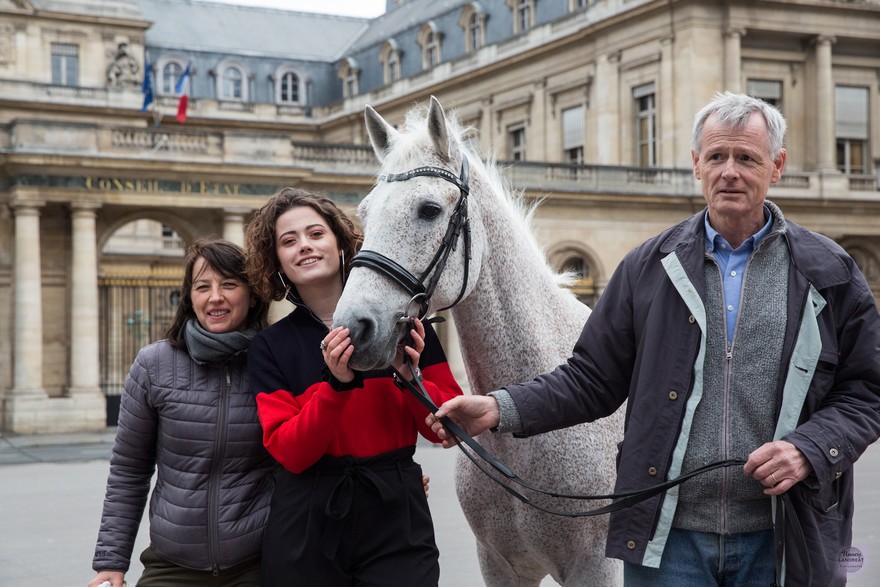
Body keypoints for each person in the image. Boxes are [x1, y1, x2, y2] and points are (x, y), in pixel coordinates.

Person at [428, 92, 880, 586]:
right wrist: (498, 408)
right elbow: (591, 378)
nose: (730, 171)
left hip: (783, 534)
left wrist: (809, 449)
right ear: (696, 166)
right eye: (716, 157)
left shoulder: (829, 270)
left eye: (746, 158)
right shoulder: (647, 267)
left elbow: (867, 391)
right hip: (669, 538)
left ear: (777, 166)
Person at [244, 187, 463, 586]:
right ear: (276, 260)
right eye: (288, 241)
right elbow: (292, 453)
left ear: (341, 242)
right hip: (308, 518)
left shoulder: (406, 325)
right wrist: (336, 386)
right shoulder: (269, 347)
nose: (304, 247)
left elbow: (448, 430)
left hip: (396, 514)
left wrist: (408, 375)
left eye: (315, 234)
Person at [89, 239, 275, 587]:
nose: (215, 297)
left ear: (252, 295)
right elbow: (129, 470)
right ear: (190, 297)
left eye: (229, 285)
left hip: (259, 563)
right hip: (172, 565)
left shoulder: (275, 361)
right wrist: (111, 561)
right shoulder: (154, 364)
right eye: (202, 286)